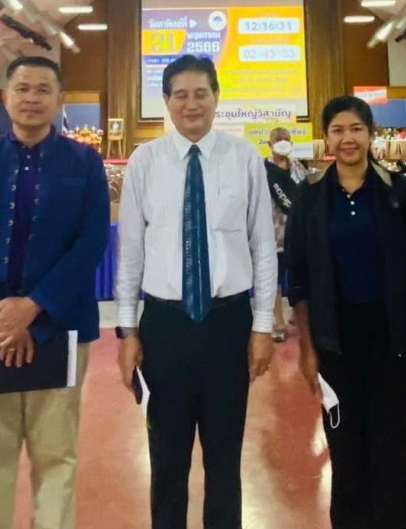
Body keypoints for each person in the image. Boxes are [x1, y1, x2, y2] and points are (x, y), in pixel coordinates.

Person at [0, 56, 110, 529]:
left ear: (59, 100)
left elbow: (91, 242)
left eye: (43, 90)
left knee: (57, 458)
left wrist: (34, 307)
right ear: (5, 96)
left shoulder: (84, 164)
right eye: (22, 88)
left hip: (60, 327)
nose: (32, 98)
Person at [114, 55, 277, 529]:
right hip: (164, 327)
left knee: (225, 459)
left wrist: (262, 326)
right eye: (180, 95)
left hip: (229, 324)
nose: (191, 104)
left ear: (216, 98)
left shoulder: (244, 158)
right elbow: (130, 251)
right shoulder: (145, 162)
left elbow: (263, 246)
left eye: (201, 94)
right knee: (167, 459)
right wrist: (127, 331)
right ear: (166, 101)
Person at [285, 95, 406, 529]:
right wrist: (307, 348)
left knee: (391, 450)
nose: (348, 138)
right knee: (345, 450)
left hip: (394, 340)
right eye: (338, 130)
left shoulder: (398, 191)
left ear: (370, 135)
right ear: (326, 138)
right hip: (335, 343)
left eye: (356, 129)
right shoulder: (310, 196)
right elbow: (298, 277)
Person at [265, 126, 307, 342]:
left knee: (300, 279)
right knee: (275, 281)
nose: (283, 143)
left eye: (286, 139)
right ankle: (278, 322)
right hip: (273, 236)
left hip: (298, 234)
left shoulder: (299, 168)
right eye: (278, 140)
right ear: (270, 144)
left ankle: (295, 316)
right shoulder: (263, 171)